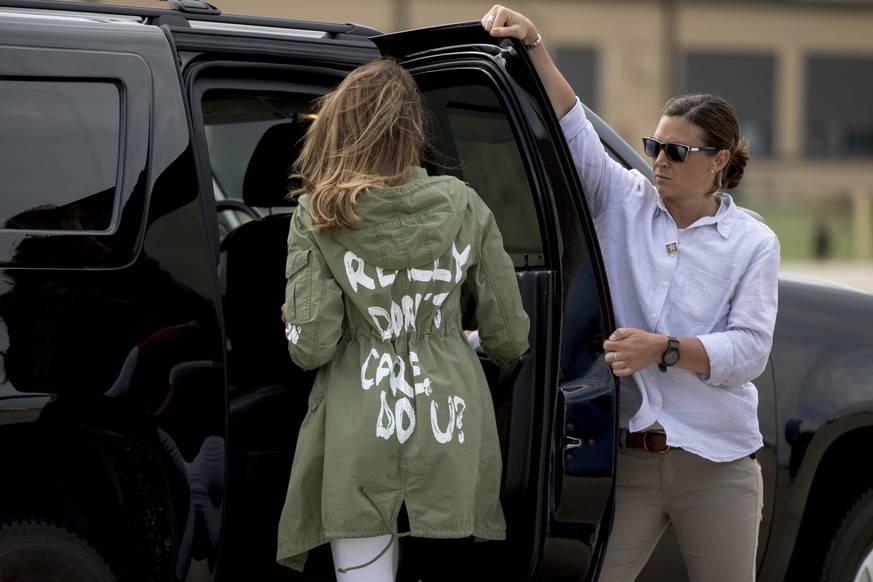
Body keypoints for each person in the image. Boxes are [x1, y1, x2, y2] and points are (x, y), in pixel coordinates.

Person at [482, 6, 779, 581]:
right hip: (629, 461)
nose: (658, 162)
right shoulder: (625, 200)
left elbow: (749, 353)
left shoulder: (753, 243)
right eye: (653, 145)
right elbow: (572, 125)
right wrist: (534, 43)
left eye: (676, 152)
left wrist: (662, 349)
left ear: (719, 161)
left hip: (717, 462)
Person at [274, 57, 530, 581]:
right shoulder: (466, 205)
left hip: (359, 421)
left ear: (341, 128)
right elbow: (511, 336)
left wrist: (292, 318)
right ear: (412, 129)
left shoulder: (318, 215)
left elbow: (312, 347)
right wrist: (470, 341)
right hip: (451, 420)